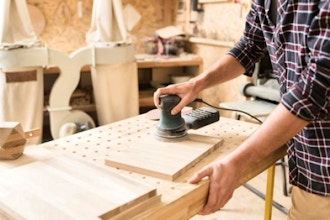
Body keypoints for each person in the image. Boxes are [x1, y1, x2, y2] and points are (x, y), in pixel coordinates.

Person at [153, 0, 330, 219]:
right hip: (306, 159)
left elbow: (312, 92)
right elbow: (249, 46)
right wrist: (196, 84)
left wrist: (236, 164)